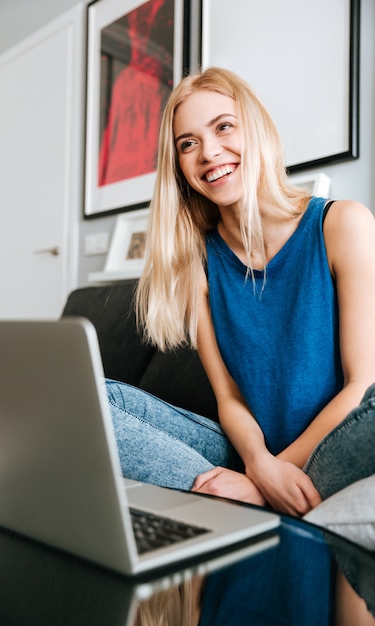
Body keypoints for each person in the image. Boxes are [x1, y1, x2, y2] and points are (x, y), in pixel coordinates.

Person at [105, 66, 375, 625]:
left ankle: (244, 499)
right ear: (178, 166)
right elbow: (228, 398)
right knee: (89, 398)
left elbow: (362, 384)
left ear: (255, 130)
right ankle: (240, 498)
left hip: (332, 445)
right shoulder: (198, 261)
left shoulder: (342, 224)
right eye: (188, 144)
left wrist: (274, 472)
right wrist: (256, 467)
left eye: (224, 127)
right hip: (242, 449)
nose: (209, 152)